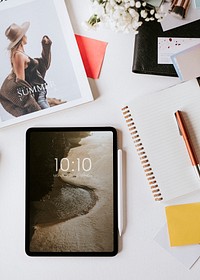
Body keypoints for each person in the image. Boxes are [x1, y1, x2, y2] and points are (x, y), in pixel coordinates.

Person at [0, 22, 52, 117]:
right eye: (25, 34)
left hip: (40, 93)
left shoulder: (20, 53)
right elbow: (21, 82)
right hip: (39, 95)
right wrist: (34, 106)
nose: (26, 36)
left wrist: (46, 46)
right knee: (50, 117)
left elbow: (43, 65)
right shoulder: (18, 55)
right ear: (21, 37)